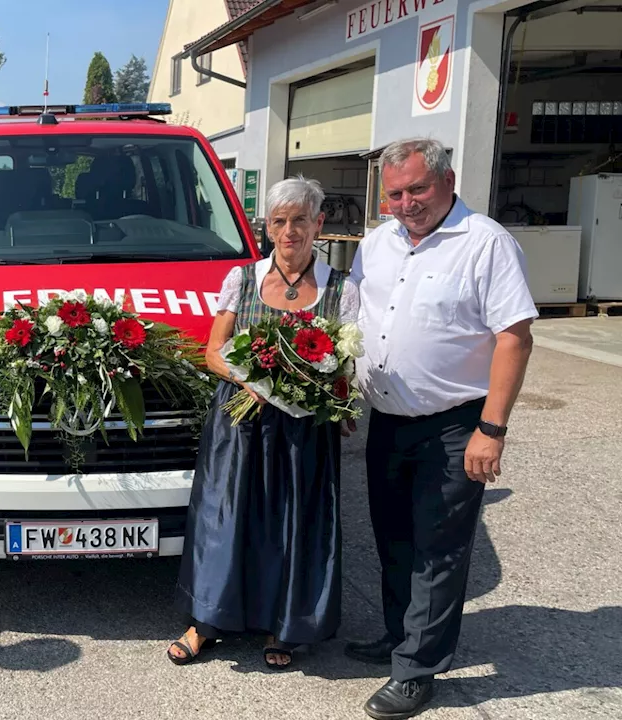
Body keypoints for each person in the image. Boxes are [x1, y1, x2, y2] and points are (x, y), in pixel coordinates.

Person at [345, 138, 536, 720]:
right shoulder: (376, 244)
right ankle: (401, 636)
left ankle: (417, 669)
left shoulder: (486, 242)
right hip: (388, 421)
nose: (406, 204)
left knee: (439, 548)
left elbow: (514, 336)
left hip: (455, 425)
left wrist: (491, 429)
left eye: (417, 190)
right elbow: (354, 318)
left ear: (447, 180)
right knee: (393, 537)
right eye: (394, 194)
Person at [169, 176, 358, 671]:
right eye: (280, 221)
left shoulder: (342, 289)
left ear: (319, 224)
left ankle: (284, 624)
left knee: (292, 525)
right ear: (267, 227)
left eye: (300, 220)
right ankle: (205, 622)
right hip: (240, 424)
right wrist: (249, 378)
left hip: (303, 432)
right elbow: (212, 351)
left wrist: (338, 400)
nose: (290, 231)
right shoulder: (243, 279)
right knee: (224, 521)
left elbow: (348, 366)